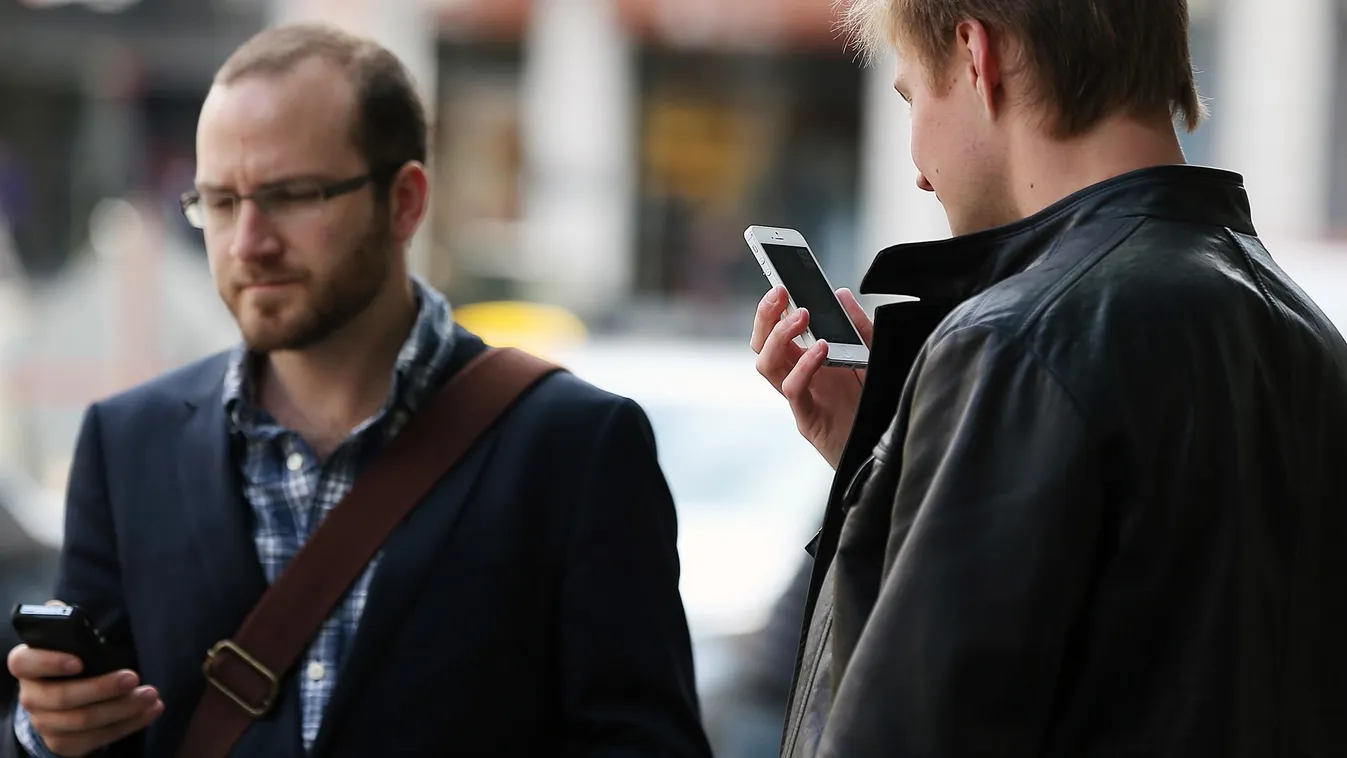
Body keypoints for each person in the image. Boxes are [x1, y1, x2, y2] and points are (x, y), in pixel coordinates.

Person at [5, 24, 711, 758]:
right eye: (218, 202)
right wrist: (46, 733)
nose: (248, 241)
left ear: (405, 201)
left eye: (290, 195)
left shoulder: (575, 446)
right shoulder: (128, 444)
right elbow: (94, 730)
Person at [750, 0, 1347, 755]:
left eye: (911, 98)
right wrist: (884, 462)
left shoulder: (1015, 343)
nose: (917, 171)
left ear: (975, 55)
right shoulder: (1302, 332)